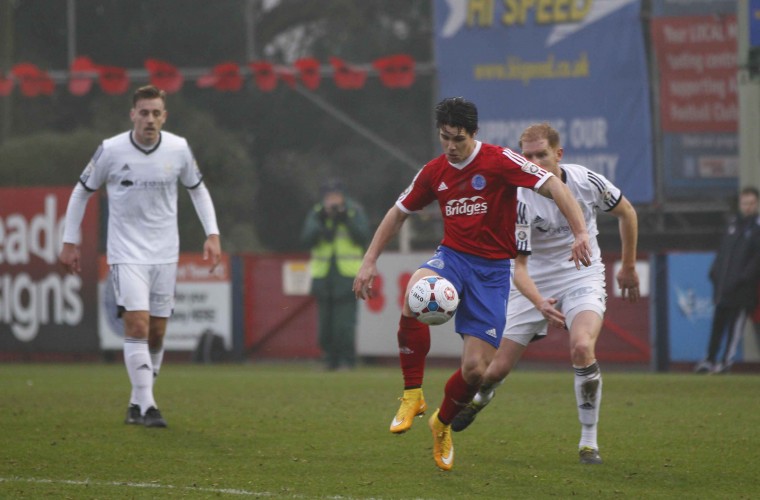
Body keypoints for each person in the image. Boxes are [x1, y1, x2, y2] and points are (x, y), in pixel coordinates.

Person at [353, 99, 592, 471]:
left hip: (494, 272)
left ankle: (441, 423)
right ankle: (412, 393)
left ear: (474, 134)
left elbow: (556, 189)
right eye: (445, 137)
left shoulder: (500, 161)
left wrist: (580, 232)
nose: (450, 146)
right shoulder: (434, 171)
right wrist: (369, 261)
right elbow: (398, 212)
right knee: (417, 292)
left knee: (477, 371)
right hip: (453, 258)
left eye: (458, 139)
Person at [448, 123, 640, 465]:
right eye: (528, 156)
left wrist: (626, 266)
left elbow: (627, 213)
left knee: (582, 347)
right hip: (533, 283)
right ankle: (480, 400)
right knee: (492, 370)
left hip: (582, 273)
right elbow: (518, 268)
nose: (534, 161)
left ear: (559, 154)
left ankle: (588, 443)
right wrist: (539, 303)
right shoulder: (517, 198)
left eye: (542, 155)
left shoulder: (585, 181)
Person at [59, 85, 222, 428]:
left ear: (165, 116)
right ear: (132, 114)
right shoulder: (111, 150)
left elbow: (198, 190)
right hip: (126, 252)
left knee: (158, 334)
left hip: (165, 253)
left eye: (156, 113)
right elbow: (81, 192)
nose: (150, 119)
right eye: (144, 112)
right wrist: (69, 241)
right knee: (137, 324)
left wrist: (212, 234)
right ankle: (148, 406)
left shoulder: (178, 149)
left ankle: (136, 402)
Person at [300, 178, 371, 370]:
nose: (332, 201)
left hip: (347, 276)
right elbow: (306, 239)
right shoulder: (317, 213)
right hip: (323, 276)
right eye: (329, 197)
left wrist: (345, 219)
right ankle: (329, 359)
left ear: (343, 197)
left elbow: (364, 236)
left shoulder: (353, 211)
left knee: (344, 325)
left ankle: (347, 360)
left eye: (336, 196)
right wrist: (321, 223)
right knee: (325, 325)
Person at [694, 186, 760, 374]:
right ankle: (710, 360)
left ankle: (726, 362)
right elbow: (722, 254)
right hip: (723, 288)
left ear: (756, 204)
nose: (747, 207)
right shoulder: (732, 226)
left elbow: (756, 261)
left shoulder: (756, 229)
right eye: (744, 203)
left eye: (751, 203)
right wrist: (714, 273)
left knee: (734, 329)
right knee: (717, 326)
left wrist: (743, 279)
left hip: (742, 291)